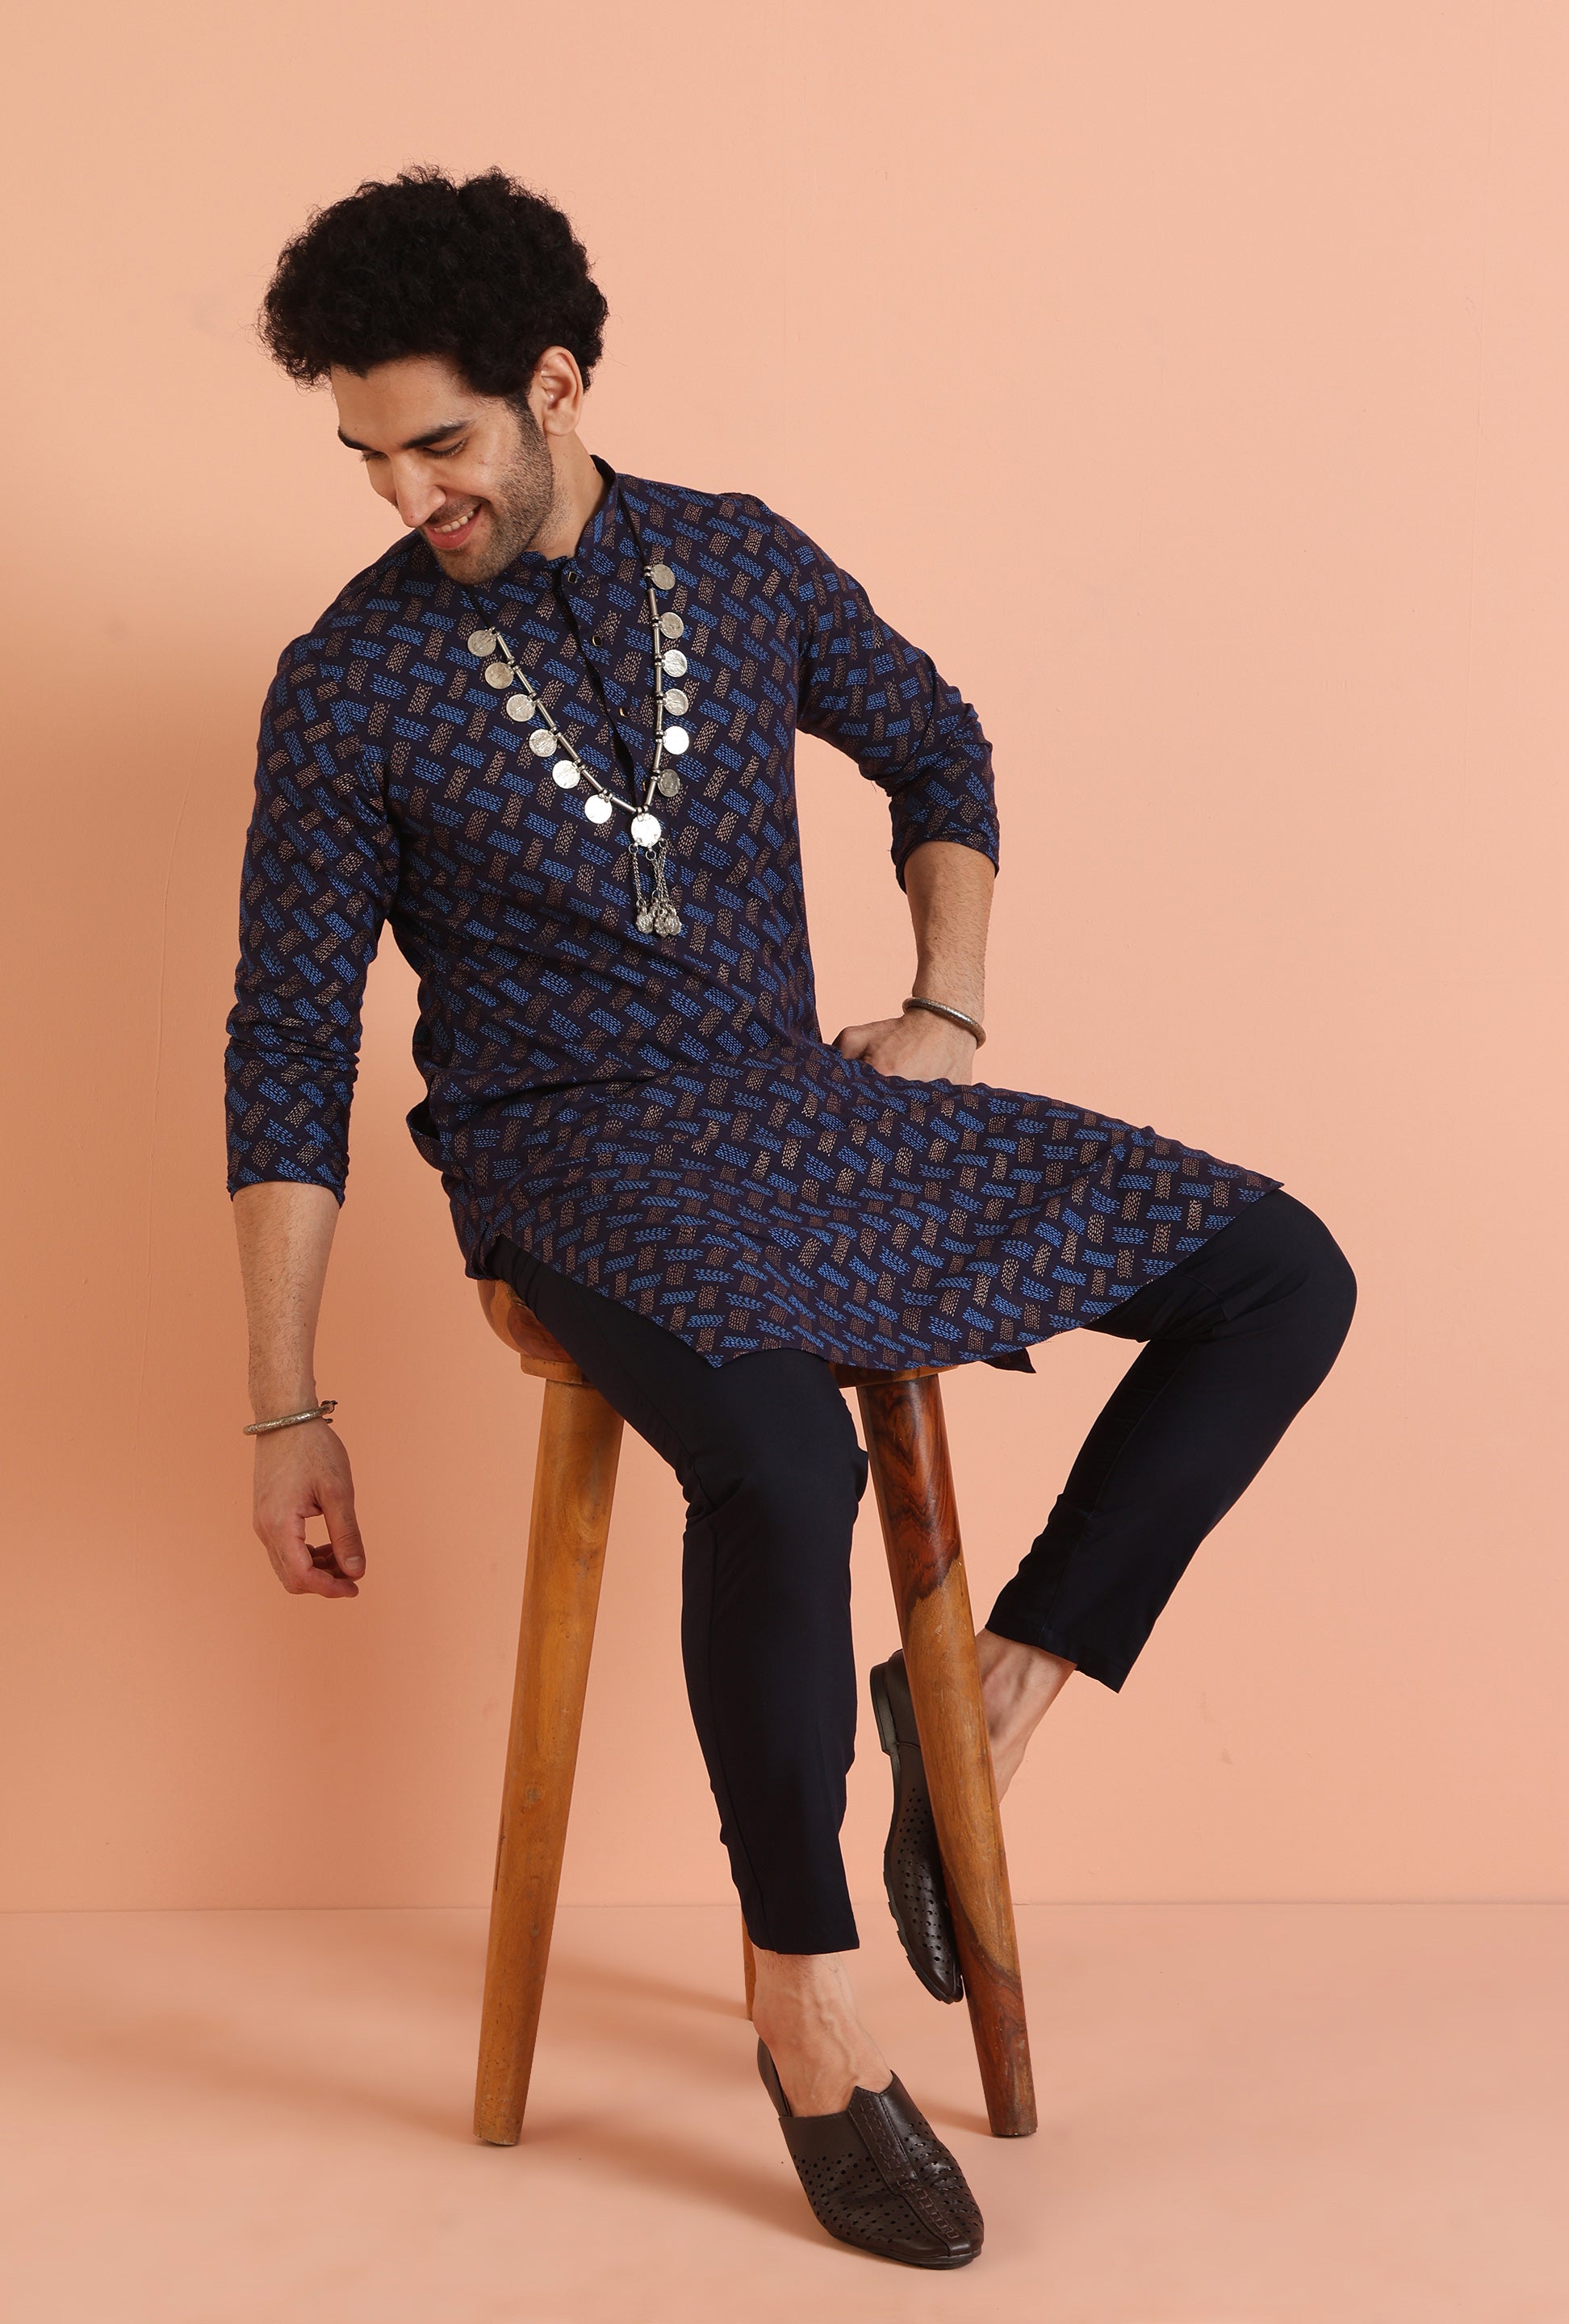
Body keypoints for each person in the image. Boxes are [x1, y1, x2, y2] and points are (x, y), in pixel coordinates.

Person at [224, 165, 1357, 2269]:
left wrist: (947, 1003)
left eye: (438, 443)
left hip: (800, 1115)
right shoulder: (352, 679)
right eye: (366, 458)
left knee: (1282, 1273)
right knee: (774, 1457)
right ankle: (804, 2003)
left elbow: (937, 745)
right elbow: (288, 1043)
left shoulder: (739, 562)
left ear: (555, 385)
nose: (404, 496)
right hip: (562, 1156)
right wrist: (287, 1406)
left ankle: (982, 1709)